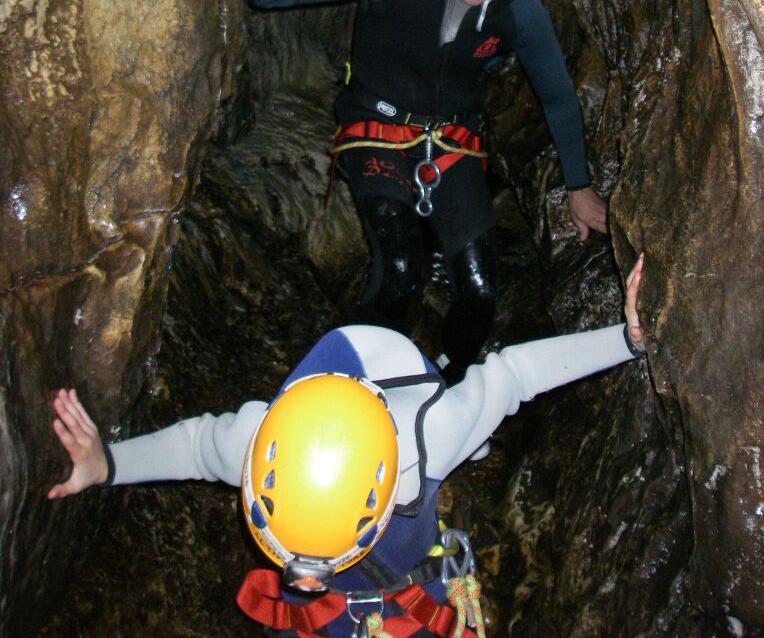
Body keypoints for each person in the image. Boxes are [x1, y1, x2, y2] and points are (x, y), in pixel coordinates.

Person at [48, 255, 646, 638]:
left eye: (316, 564)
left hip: (406, 575)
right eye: (292, 560)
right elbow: (197, 445)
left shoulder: (429, 438)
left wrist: (627, 337)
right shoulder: (262, 444)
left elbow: (514, 375)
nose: (305, 578)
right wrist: (108, 464)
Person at [248, 0, 607, 382]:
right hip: (374, 127)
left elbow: (557, 95)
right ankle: (336, 385)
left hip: (451, 142)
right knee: (399, 273)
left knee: (480, 291)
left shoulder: (518, 11)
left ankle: (449, 383)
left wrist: (579, 185)